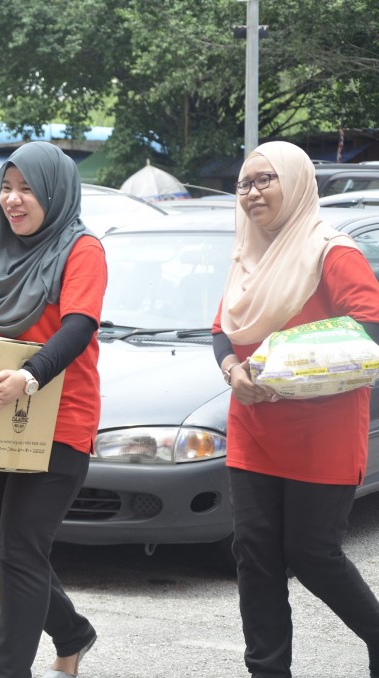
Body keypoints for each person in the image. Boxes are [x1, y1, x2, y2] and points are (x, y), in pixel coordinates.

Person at [0, 141, 104, 678]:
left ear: (54, 191)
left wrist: (27, 378)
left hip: (59, 423)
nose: (13, 199)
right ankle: (73, 631)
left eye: (27, 188)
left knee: (22, 549)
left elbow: (78, 328)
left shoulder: (82, 250)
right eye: (6, 188)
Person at [213, 141, 379, 678]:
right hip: (253, 429)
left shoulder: (332, 252)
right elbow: (222, 330)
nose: (252, 192)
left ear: (297, 182)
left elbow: (370, 327)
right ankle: (267, 671)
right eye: (244, 183)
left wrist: (287, 364)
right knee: (255, 560)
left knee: (312, 555)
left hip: (321, 434)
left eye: (265, 180)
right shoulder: (247, 254)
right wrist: (232, 371)